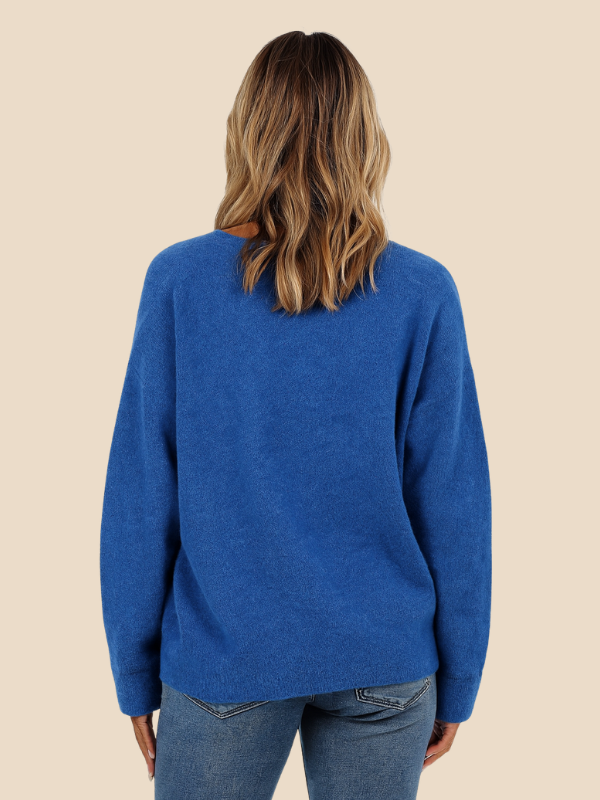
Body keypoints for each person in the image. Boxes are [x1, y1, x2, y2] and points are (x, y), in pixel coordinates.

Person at [99, 30, 492, 800]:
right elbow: (454, 503)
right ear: (364, 136)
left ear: (248, 130)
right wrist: (461, 674)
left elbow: (141, 494)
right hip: (386, 662)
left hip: (225, 658)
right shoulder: (421, 292)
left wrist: (133, 671)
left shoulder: (180, 282)